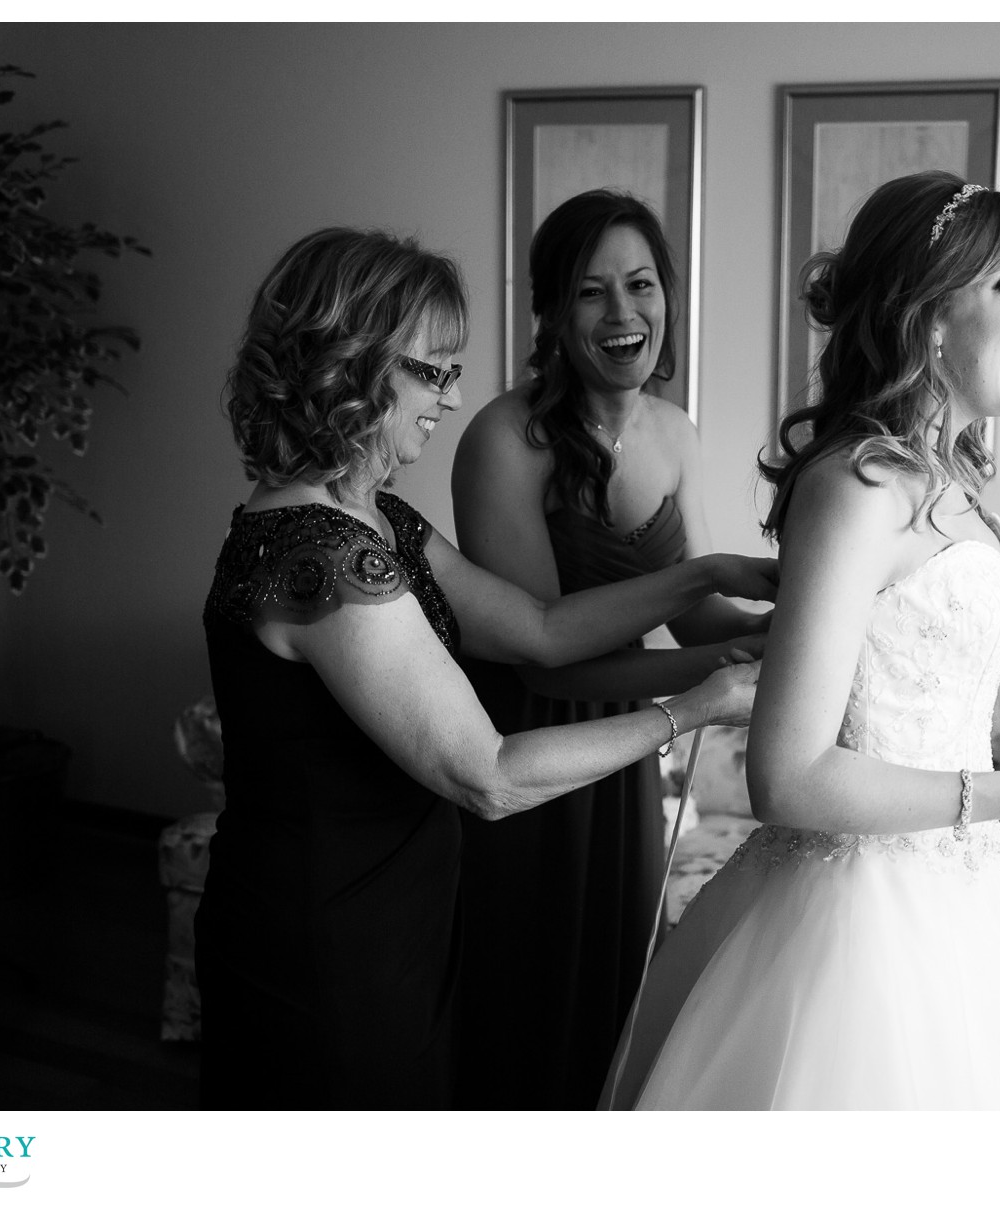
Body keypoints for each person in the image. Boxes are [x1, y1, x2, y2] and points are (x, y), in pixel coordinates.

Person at [601, 172, 1000, 1110]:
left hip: (964, 903)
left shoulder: (947, 476)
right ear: (929, 317)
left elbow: (898, 711)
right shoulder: (854, 490)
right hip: (845, 924)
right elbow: (792, 776)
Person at [194, 227, 773, 1109]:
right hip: (324, 934)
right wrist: (694, 707)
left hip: (405, 902)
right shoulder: (314, 558)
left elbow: (541, 627)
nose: (454, 394)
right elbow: (489, 774)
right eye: (431, 371)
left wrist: (711, 573)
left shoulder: (379, 520)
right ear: (350, 365)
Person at [449, 189, 769, 1109]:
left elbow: (705, 619)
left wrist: (784, 626)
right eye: (592, 293)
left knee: (610, 974)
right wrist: (712, 667)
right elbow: (542, 655)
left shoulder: (676, 433)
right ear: (552, 312)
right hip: (526, 740)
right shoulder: (504, 440)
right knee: (517, 989)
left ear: (669, 296)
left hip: (627, 748)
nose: (624, 314)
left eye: (641, 285)